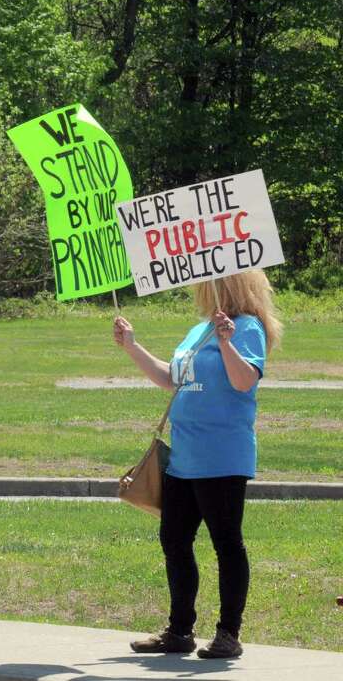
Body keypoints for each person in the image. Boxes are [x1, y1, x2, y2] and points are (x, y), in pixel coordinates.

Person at [113, 269, 282, 659]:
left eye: (205, 282)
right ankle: (179, 631)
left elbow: (244, 381)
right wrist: (132, 346)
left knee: (226, 543)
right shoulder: (198, 330)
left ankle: (228, 634)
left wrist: (226, 342)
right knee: (174, 540)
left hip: (222, 457)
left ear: (226, 284)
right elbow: (172, 379)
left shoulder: (247, 328)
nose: (198, 287)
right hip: (183, 457)